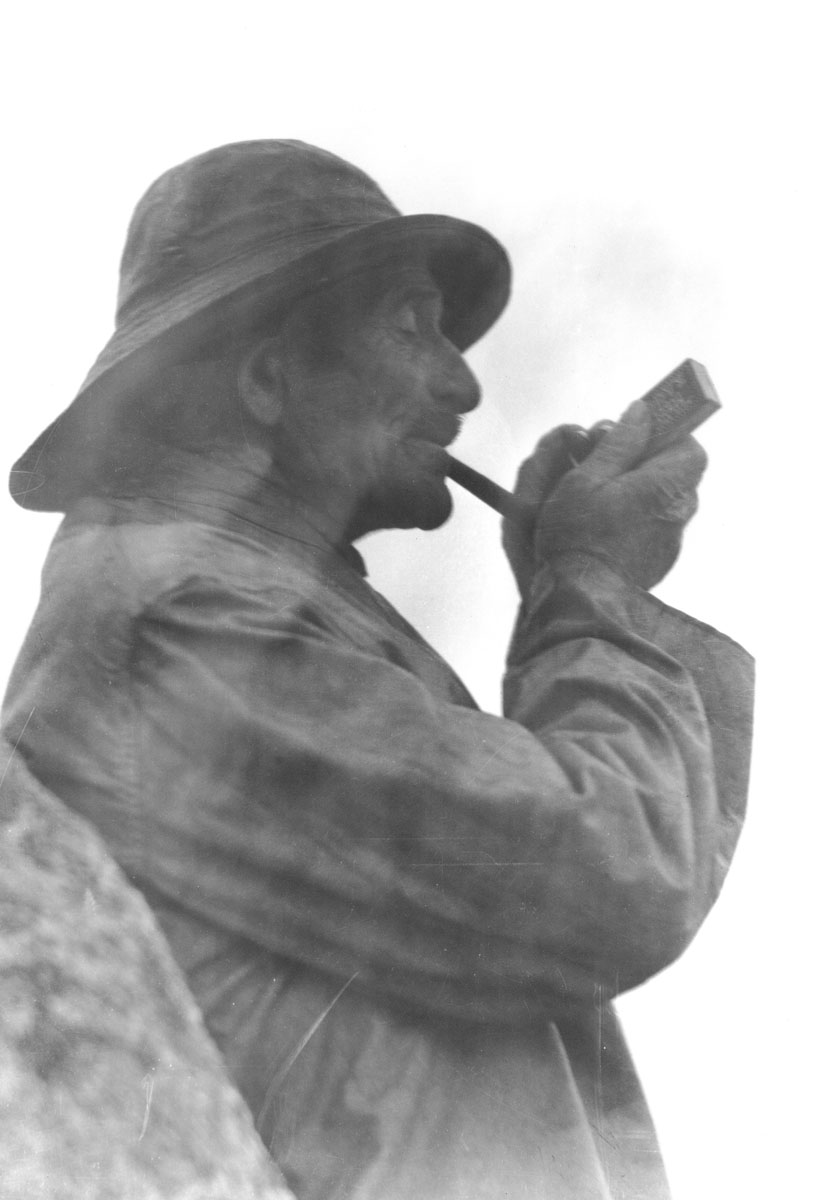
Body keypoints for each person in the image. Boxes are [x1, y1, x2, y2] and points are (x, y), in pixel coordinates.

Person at [2, 140, 754, 1200]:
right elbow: (609, 869)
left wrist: (573, 597)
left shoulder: (236, 604)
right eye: (412, 327)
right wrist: (591, 588)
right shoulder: (185, 623)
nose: (460, 381)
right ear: (267, 377)